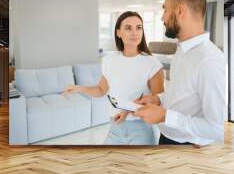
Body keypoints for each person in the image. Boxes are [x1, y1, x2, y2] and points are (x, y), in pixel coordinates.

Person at [134, 0, 226, 146]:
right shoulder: (182, 50)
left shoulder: (210, 61)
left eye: (165, 10)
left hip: (187, 147)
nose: (162, 18)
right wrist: (158, 100)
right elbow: (181, 94)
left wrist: (164, 116)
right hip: (167, 137)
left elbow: (216, 129)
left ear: (180, 11)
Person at [64, 11, 164, 145]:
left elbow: (158, 102)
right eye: (128, 28)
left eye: (138, 27)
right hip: (114, 128)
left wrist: (127, 111)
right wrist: (78, 88)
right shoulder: (109, 60)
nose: (135, 32)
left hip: (140, 129)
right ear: (118, 33)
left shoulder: (152, 63)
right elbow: (101, 90)